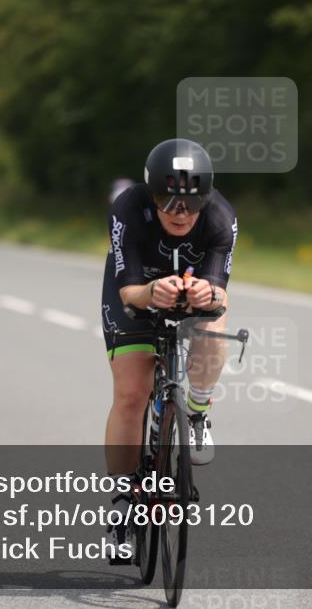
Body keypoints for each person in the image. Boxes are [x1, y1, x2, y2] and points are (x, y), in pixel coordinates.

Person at [101, 138, 238, 557]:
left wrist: (206, 294)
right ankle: (123, 503)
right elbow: (128, 292)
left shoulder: (220, 217)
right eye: (168, 200)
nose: (180, 213)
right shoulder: (128, 208)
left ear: (206, 198)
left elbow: (221, 294)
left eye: (191, 203)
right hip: (136, 292)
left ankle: (196, 410)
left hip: (191, 292)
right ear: (150, 193)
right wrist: (150, 292)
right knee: (131, 394)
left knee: (214, 324)